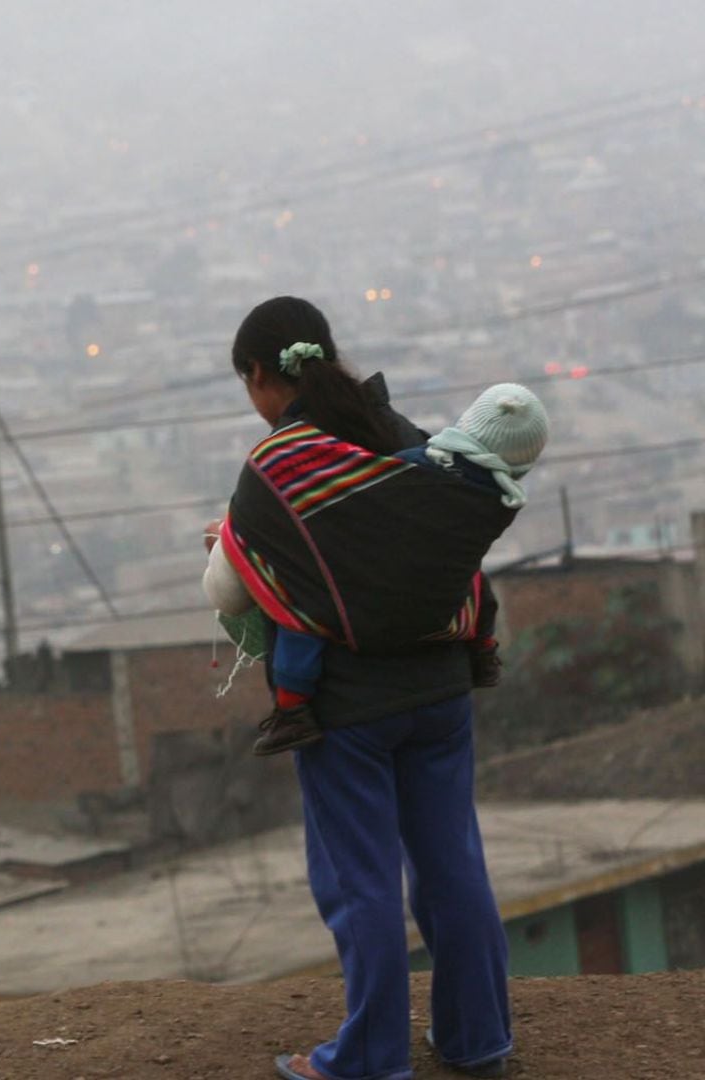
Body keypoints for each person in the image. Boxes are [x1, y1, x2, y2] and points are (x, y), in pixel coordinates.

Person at [218, 297, 514, 1080]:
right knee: (453, 864)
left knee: (362, 884)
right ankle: (478, 1039)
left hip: (349, 711)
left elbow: (249, 582)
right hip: (442, 690)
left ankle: (372, 1060)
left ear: (259, 374)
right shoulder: (403, 434)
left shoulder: (274, 467)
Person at [210, 381, 548, 756]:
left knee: (301, 614)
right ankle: (483, 652)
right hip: (441, 628)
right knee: (475, 585)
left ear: (466, 424)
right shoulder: (495, 502)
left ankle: (292, 710)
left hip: (365, 655)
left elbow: (371, 487)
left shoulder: (421, 465)